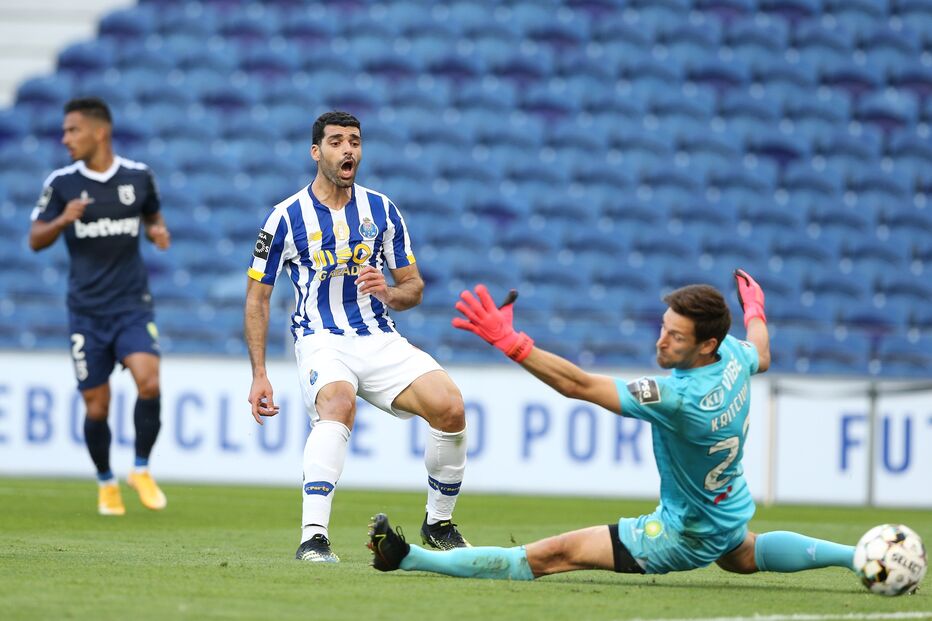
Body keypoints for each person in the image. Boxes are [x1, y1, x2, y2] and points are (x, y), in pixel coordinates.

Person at [368, 271, 858, 583]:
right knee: (741, 553)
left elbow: (579, 385)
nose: (662, 341)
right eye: (664, 327)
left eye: (676, 336)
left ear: (706, 344)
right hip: (725, 510)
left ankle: (410, 557)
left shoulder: (679, 399)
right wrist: (755, 310)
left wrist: (512, 343)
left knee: (551, 556)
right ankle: (857, 556)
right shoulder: (733, 356)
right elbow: (763, 352)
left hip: (679, 534)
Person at [244, 111, 470, 563]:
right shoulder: (286, 217)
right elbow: (257, 298)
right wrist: (260, 374)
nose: (348, 150)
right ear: (316, 152)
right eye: (336, 142)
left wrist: (387, 291)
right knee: (338, 405)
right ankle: (314, 537)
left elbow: (414, 288)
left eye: (355, 141)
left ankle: (438, 523)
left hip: (377, 337)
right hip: (320, 338)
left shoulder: (382, 210)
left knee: (450, 407)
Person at [29, 97, 171, 516]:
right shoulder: (63, 184)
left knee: (149, 380)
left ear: (99, 132)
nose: (65, 138)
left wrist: (157, 233)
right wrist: (61, 220)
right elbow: (35, 239)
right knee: (97, 405)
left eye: (73, 130)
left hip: (131, 305)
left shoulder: (139, 177)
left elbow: (152, 218)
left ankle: (141, 469)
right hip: (86, 313)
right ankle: (106, 482)